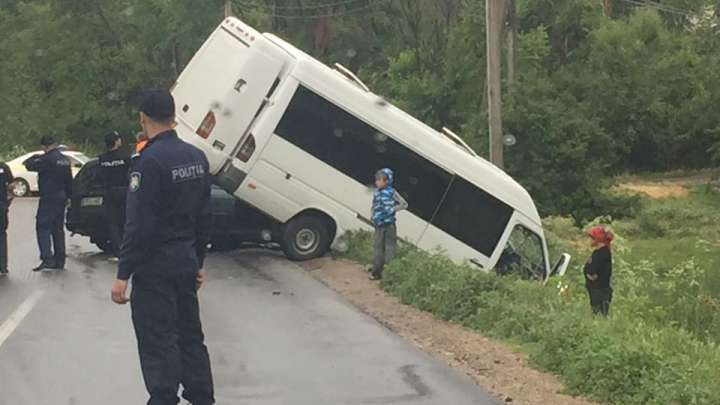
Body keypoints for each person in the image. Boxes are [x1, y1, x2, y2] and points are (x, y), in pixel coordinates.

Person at [110, 88, 215, 405]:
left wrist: (123, 273)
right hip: (184, 263)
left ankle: (164, 398)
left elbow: (139, 224)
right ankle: (202, 398)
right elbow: (204, 217)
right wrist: (198, 261)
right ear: (173, 117)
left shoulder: (148, 162)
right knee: (190, 337)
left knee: (159, 340)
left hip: (155, 269)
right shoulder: (196, 158)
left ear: (143, 117)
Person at [23, 135, 73, 271]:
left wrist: (35, 156)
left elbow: (29, 165)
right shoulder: (64, 159)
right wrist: (70, 196)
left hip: (49, 196)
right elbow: (69, 179)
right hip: (62, 195)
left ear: (44, 146)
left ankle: (47, 259)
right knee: (57, 228)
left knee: (43, 227)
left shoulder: (47, 159)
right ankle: (60, 260)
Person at [369, 168, 408, 280]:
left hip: (389, 224)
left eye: (379, 180)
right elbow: (374, 205)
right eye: (376, 180)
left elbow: (404, 204)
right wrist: (372, 215)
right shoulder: (376, 192)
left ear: (386, 181)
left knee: (390, 249)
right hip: (378, 224)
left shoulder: (392, 192)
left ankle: (387, 274)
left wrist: (392, 209)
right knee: (378, 248)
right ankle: (376, 272)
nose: (377, 182)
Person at [97, 131, 131, 261]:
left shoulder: (102, 159)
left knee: (112, 223)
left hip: (110, 192)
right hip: (125, 191)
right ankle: (127, 249)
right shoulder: (126, 156)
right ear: (116, 142)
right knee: (125, 221)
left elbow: (98, 176)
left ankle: (118, 251)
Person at [584, 225, 613, 316]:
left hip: (600, 290)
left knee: (599, 313)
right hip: (595, 289)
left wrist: (588, 271)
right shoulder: (598, 252)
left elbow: (591, 268)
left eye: (591, 238)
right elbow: (587, 268)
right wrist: (587, 272)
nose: (588, 240)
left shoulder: (602, 253)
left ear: (596, 239)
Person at [0, 161, 15, 276]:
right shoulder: (3, 167)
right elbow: (12, 184)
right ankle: (3, 267)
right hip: (1, 205)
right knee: (1, 235)